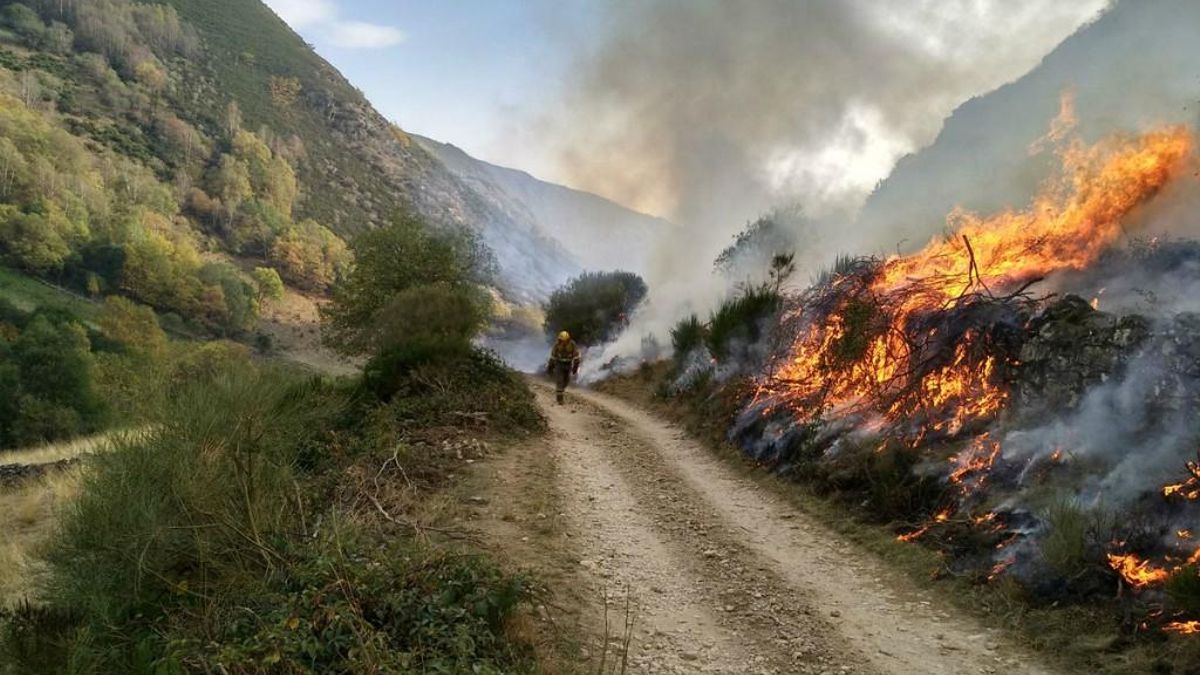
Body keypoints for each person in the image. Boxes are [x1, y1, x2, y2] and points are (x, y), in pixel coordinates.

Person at [547, 330, 581, 404]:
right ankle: (560, 399)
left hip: (568, 365)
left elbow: (576, 356)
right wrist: (550, 367)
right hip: (559, 364)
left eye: (564, 340)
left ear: (568, 340)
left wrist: (575, 367)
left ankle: (560, 391)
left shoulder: (572, 344)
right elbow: (553, 357)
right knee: (560, 381)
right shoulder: (556, 345)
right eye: (561, 340)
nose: (562, 342)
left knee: (566, 381)